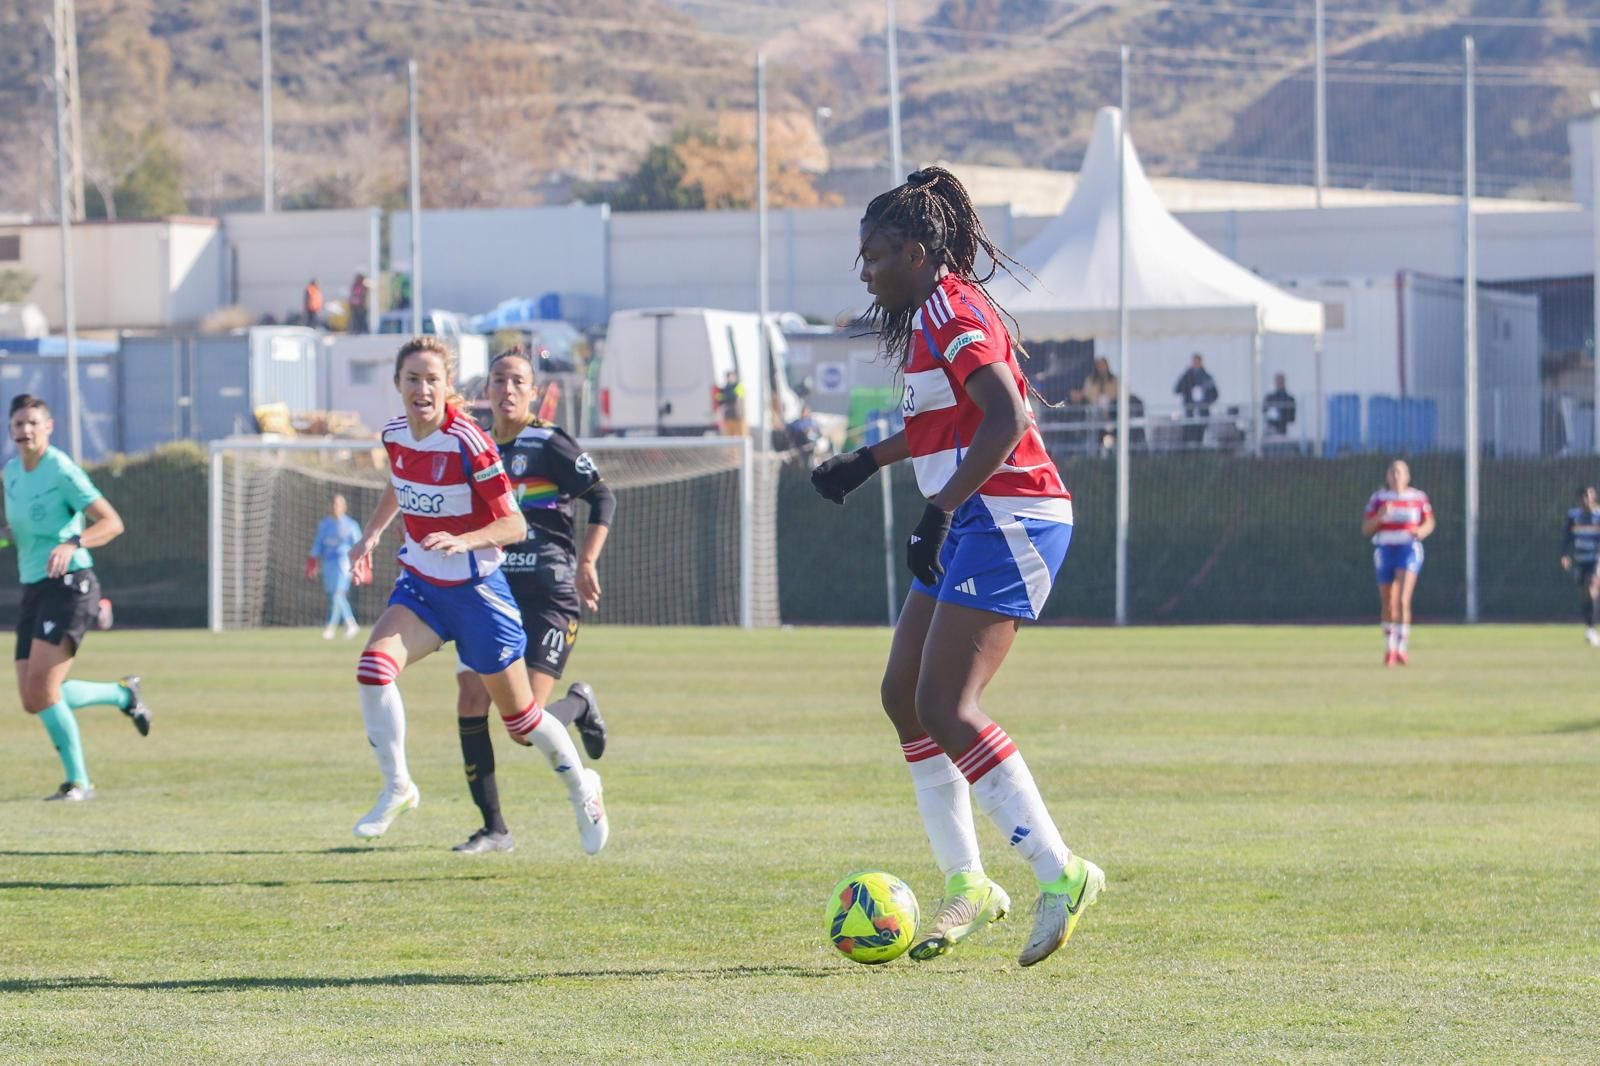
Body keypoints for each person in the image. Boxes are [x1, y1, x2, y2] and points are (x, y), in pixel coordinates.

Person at [809, 166, 1103, 968]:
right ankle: (970, 884)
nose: (863, 271)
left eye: (872, 255)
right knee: (904, 696)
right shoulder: (931, 313)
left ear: (912, 249)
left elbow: (1007, 415)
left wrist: (938, 513)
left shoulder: (953, 307)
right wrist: (865, 461)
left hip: (1014, 516)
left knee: (947, 701)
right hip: (976, 517)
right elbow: (948, 424)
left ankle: (1062, 872)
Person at [346, 336, 608, 855]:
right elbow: (399, 484)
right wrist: (373, 534)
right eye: (412, 379)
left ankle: (584, 789)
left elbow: (512, 523)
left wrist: (462, 540)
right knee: (373, 669)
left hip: (479, 596)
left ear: (448, 387)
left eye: (432, 379)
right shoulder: (395, 434)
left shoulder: (470, 441)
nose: (422, 388)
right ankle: (399, 786)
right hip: (421, 587)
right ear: (397, 384)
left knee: (523, 722)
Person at [451, 346, 614, 855]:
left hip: (549, 595)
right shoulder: (475, 445)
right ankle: (495, 829)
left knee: (524, 727)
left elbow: (603, 496)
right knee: (471, 698)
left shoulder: (549, 442)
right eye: (499, 379)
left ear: (535, 391)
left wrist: (587, 561)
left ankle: (580, 703)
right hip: (491, 594)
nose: (507, 389)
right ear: (487, 389)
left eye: (518, 381)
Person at [4, 395, 150, 801]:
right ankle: (123, 694)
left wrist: (74, 541)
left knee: (44, 691)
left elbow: (112, 522)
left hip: (71, 584)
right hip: (35, 587)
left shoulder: (62, 470)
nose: (26, 430)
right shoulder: (11, 474)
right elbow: (14, 532)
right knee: (33, 698)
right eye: (19, 423)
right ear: (10, 429)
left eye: (33, 422)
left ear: (48, 427)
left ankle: (79, 783)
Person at [1362, 458, 1434, 667]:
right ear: (1387, 476)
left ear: (1407, 476)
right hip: (1385, 549)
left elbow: (1429, 521)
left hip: (1408, 549)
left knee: (1403, 599)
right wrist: (1380, 517)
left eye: (1400, 472)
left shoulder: (1417, 497)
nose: (1396, 476)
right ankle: (1389, 648)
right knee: (1388, 602)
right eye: (1392, 472)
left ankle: (1402, 649)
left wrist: (1420, 531)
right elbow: (1366, 529)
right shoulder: (1379, 499)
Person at [307, 493, 364, 640]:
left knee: (337, 594)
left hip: (343, 562)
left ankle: (332, 627)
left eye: (338, 504)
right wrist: (312, 562)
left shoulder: (351, 525)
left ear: (344, 507)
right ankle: (349, 623)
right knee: (333, 595)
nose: (335, 507)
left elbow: (360, 546)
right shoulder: (324, 524)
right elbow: (318, 544)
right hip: (328, 563)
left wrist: (362, 565)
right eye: (333, 504)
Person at [1560, 485, 1600, 647]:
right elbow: (1566, 537)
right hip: (1580, 561)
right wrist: (1564, 555)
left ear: (1594, 497)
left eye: (1588, 496)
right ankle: (1590, 627)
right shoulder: (1573, 516)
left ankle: (1591, 629)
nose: (1586, 500)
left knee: (1591, 589)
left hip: (1596, 560)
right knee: (1584, 594)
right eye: (1583, 497)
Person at [1174, 353, 1218, 445]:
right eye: (1194, 362)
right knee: (1188, 433)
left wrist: (1206, 403)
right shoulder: (1186, 376)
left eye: (1197, 362)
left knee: (1200, 435)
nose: (1195, 364)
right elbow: (1177, 389)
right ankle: (1188, 454)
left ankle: (1199, 452)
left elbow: (1215, 394)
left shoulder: (1206, 377)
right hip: (1189, 411)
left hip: (1202, 411)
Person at [1264, 373, 1297, 438]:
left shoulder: (1289, 399)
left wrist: (1281, 416)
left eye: (1280, 381)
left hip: (1283, 430)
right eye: (1277, 381)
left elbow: (1292, 417)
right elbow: (1265, 411)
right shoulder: (1270, 398)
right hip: (1270, 430)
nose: (1279, 383)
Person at [717, 370, 745, 437]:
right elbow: (719, 400)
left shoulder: (739, 386)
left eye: (731, 376)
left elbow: (740, 399)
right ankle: (732, 448)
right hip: (728, 415)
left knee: (741, 435)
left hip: (738, 415)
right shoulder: (724, 389)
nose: (730, 378)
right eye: (728, 376)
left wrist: (741, 413)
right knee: (730, 436)